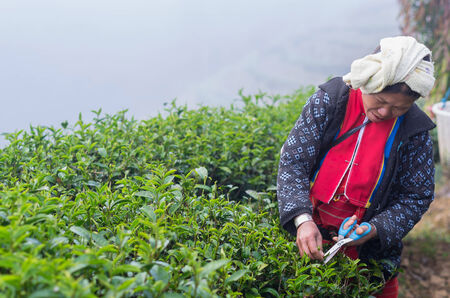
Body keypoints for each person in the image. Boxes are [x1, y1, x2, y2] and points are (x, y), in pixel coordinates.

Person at [277, 36, 436, 297]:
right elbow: (293, 161)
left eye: (398, 108)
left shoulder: (414, 130)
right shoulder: (330, 101)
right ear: (368, 82)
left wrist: (375, 229)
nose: (385, 113)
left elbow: (416, 195)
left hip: (370, 257)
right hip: (309, 236)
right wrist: (302, 220)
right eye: (381, 100)